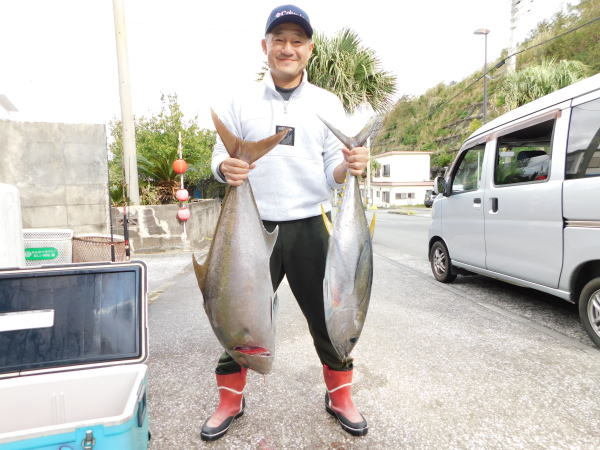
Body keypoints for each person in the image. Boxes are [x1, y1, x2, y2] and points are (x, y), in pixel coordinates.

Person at [202, 4, 370, 441]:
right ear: (266, 46)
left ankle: (340, 395)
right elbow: (217, 157)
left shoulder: (326, 103)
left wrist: (349, 165)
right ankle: (229, 400)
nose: (288, 48)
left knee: (330, 314)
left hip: (312, 222)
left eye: (297, 41)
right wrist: (226, 169)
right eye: (280, 40)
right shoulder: (241, 100)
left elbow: (334, 166)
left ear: (309, 49)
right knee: (236, 313)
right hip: (251, 225)